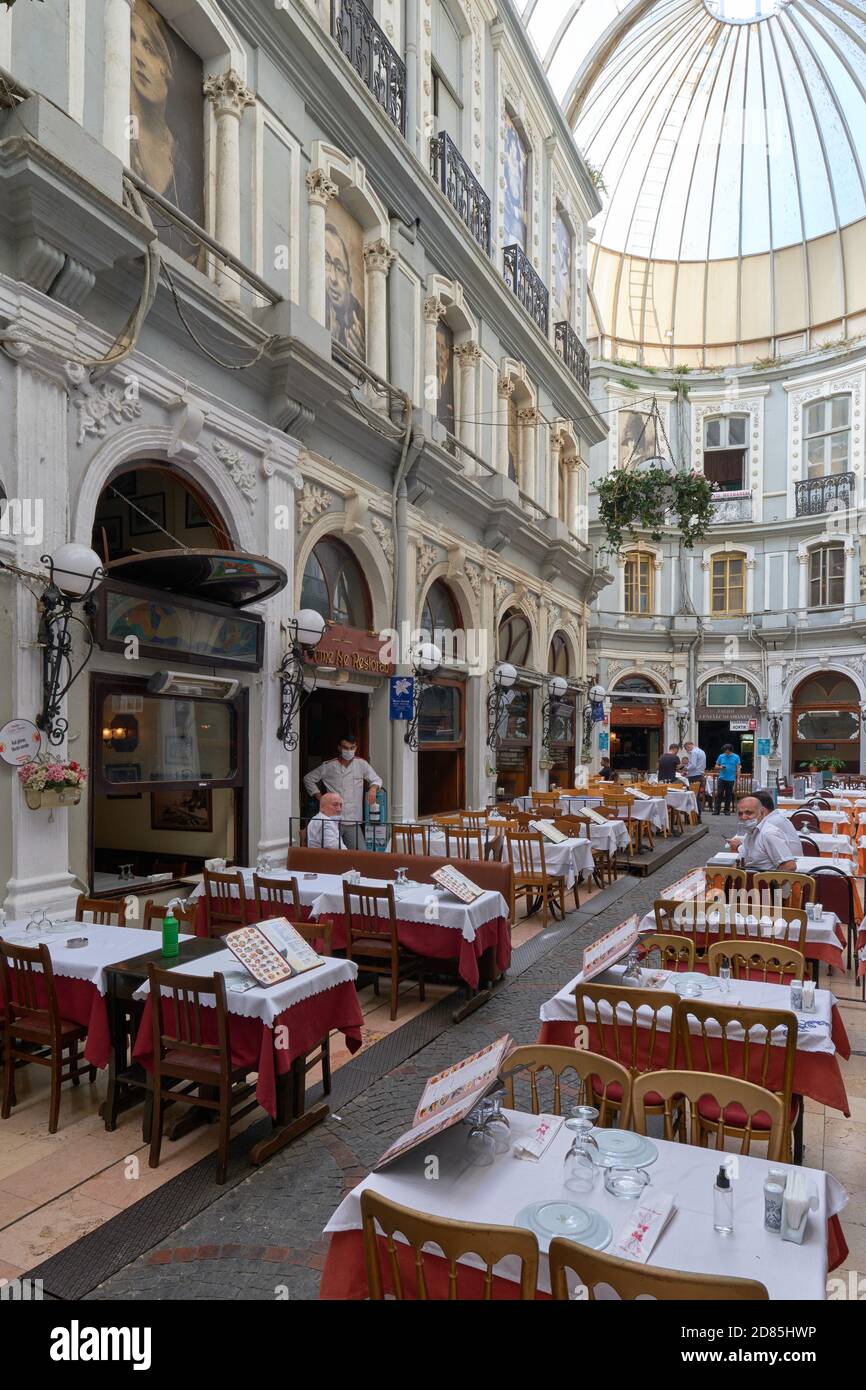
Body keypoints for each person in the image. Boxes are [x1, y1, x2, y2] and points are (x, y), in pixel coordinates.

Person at [303, 735, 383, 849]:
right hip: (332, 820)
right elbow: (308, 779)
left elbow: (376, 779)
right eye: (346, 747)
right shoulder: (329, 766)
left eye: (352, 748)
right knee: (331, 853)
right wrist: (321, 798)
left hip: (353, 820)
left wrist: (373, 789)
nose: (349, 751)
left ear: (356, 748)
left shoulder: (361, 764)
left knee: (361, 853)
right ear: (339, 748)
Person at [325, 221, 366, 358]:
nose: (333, 278)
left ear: (349, 282)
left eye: (339, 268)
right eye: (326, 261)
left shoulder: (361, 325)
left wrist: (359, 365)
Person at [726, 795, 796, 872]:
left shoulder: (769, 834)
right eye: (740, 814)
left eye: (748, 813)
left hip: (762, 881)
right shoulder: (750, 832)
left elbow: (789, 866)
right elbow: (740, 862)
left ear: (762, 812)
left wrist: (769, 883)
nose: (744, 817)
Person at [712, 743, 741, 815]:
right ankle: (716, 810)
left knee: (729, 795)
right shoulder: (721, 756)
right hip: (722, 778)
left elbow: (738, 768)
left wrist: (738, 779)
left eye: (727, 751)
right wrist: (720, 767)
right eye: (725, 751)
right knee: (719, 794)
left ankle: (727, 810)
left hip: (731, 779)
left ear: (731, 750)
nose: (726, 752)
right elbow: (715, 766)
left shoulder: (736, 757)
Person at [682, 739, 707, 820]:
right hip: (700, 775)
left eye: (686, 749)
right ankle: (697, 817)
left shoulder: (694, 752)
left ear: (688, 746)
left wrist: (685, 769)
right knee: (697, 797)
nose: (687, 751)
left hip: (694, 777)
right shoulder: (701, 751)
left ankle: (692, 818)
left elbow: (693, 765)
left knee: (692, 797)